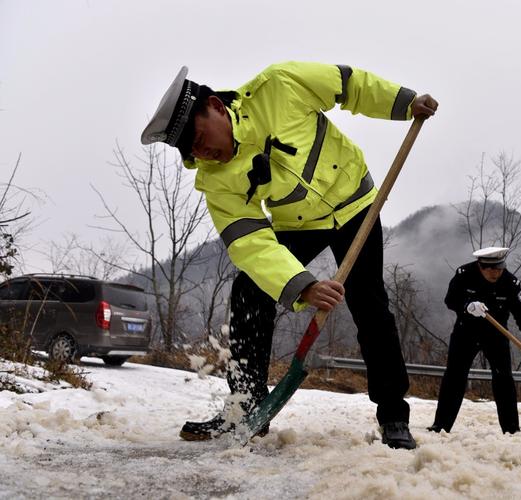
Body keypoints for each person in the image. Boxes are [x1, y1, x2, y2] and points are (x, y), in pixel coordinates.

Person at [141, 62, 438, 450]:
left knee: (370, 303)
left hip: (354, 203)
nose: (203, 153)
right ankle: (245, 409)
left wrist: (404, 104)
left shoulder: (279, 86)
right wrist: (303, 286)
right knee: (249, 290)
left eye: (199, 138)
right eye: (191, 151)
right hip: (299, 223)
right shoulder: (215, 180)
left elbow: (350, 86)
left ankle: (394, 415)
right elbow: (250, 244)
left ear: (214, 105)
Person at [428, 247, 521, 435]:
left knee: (504, 379)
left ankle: (511, 429)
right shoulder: (464, 274)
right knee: (455, 376)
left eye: (499, 268)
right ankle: (441, 426)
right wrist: (467, 306)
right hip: (466, 332)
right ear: (480, 266)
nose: (496, 273)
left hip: (496, 335)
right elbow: (450, 299)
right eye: (491, 269)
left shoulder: (510, 282)